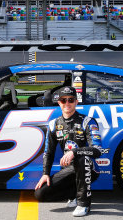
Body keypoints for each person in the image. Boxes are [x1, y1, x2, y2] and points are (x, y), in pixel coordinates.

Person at [34, 86, 102, 217]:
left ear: (76, 102)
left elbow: (97, 151)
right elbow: (49, 152)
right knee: (40, 194)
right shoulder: (54, 124)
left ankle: (84, 203)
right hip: (69, 169)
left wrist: (74, 152)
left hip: (89, 168)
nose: (67, 103)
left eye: (70, 100)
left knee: (81, 158)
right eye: (63, 100)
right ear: (59, 102)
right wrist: (45, 173)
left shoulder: (88, 121)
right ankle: (74, 195)